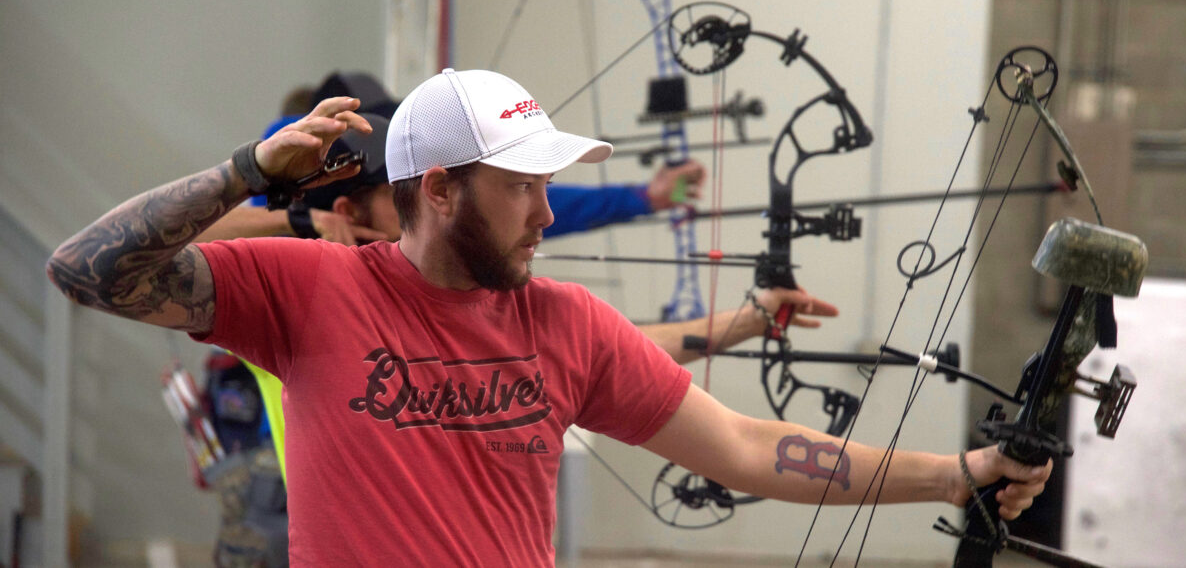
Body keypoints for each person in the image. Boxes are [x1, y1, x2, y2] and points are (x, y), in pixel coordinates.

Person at [47, 69, 1050, 565]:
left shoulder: (566, 324)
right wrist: (246, 173)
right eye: (523, 187)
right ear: (439, 190)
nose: (548, 211)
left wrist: (959, 473)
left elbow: (748, 446)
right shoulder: (308, 288)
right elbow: (86, 268)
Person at [197, 71, 709, 244]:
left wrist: (644, 196)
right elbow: (179, 241)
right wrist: (299, 219)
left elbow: (507, 198)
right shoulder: (288, 267)